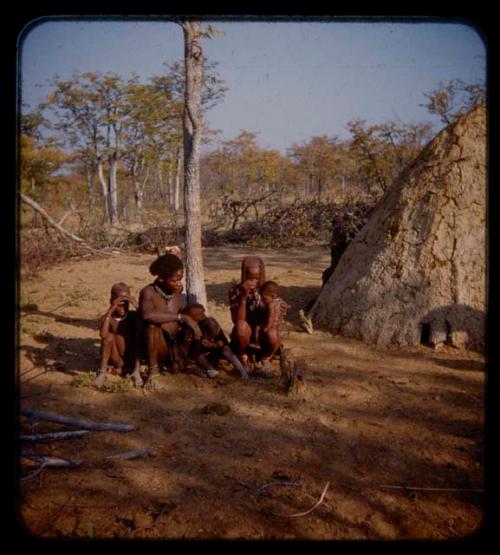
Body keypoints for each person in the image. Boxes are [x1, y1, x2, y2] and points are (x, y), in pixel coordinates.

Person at [139, 253, 201, 390]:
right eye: (174, 280)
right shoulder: (148, 292)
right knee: (152, 326)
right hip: (157, 345)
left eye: (180, 279)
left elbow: (176, 311)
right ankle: (153, 371)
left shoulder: (177, 290)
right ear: (161, 278)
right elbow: (147, 315)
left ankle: (187, 362)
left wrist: (190, 321)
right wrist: (181, 317)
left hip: (174, 345)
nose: (178, 283)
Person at [228, 256, 287, 376]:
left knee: (274, 333)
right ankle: (243, 357)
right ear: (244, 275)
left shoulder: (267, 290)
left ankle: (266, 357)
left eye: (257, 277)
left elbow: (276, 312)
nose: (253, 281)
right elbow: (238, 320)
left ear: (262, 275)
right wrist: (243, 298)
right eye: (249, 278)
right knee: (241, 327)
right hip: (246, 332)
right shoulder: (235, 290)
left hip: (262, 330)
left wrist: (279, 308)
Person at [93, 282, 143, 389]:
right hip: (115, 358)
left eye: (126, 305)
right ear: (112, 302)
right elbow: (103, 335)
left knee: (139, 335)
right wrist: (111, 309)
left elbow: (146, 325)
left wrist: (137, 306)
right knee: (109, 337)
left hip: (130, 357)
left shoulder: (133, 316)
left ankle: (135, 371)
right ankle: (102, 372)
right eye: (119, 305)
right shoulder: (108, 318)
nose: (122, 309)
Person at [180, 303, 249, 379]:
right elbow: (191, 354)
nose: (203, 316)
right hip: (197, 356)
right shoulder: (190, 331)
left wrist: (215, 345)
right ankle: (212, 370)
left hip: (213, 352)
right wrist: (198, 341)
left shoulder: (211, 324)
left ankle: (242, 371)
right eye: (200, 315)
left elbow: (224, 342)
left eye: (203, 314)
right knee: (200, 357)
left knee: (226, 349)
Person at [253, 280, 288, 373]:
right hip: (278, 328)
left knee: (266, 333)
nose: (263, 301)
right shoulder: (280, 301)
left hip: (273, 327)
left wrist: (266, 327)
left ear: (273, 296)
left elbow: (271, 318)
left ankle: (266, 356)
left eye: (264, 299)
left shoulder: (271, 305)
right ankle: (271, 352)